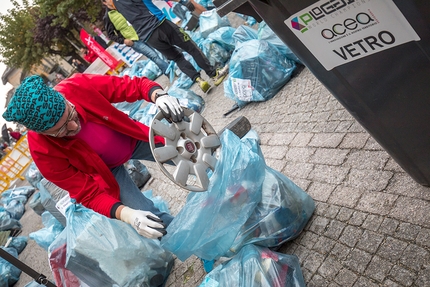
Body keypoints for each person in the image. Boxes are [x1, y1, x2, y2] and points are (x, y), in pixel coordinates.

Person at [2, 74, 184, 239]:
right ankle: (190, 241)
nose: (73, 126)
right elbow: (87, 193)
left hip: (131, 137)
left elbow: (132, 86)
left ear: (64, 98)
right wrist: (127, 215)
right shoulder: (42, 152)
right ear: (43, 133)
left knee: (187, 153)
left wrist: (158, 95)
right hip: (106, 172)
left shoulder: (76, 86)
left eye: (71, 115)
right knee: (149, 221)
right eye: (62, 130)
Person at [101, 0, 228, 93]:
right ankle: (213, 74)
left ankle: (198, 80)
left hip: (147, 36)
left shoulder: (117, 5)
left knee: (177, 58)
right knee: (191, 47)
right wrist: (183, 2)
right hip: (160, 23)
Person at [103, 8, 171, 76]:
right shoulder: (108, 16)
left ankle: (169, 68)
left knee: (160, 50)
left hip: (143, 32)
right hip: (133, 41)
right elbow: (110, 35)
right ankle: (169, 72)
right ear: (105, 2)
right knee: (153, 56)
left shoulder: (121, 4)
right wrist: (124, 40)